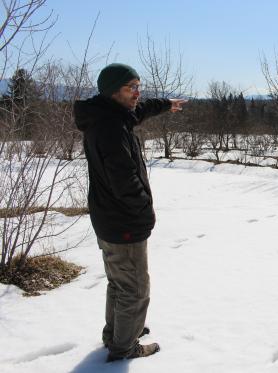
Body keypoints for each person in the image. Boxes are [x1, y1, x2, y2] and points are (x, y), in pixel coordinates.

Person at [74, 63, 186, 362]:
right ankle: (125, 347)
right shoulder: (110, 128)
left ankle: (117, 333)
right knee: (135, 289)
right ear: (113, 92)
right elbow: (124, 180)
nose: (137, 93)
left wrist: (165, 105)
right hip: (123, 221)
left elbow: (138, 112)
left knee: (119, 282)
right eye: (130, 88)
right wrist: (144, 212)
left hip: (109, 218)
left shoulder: (107, 115)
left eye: (138, 86)